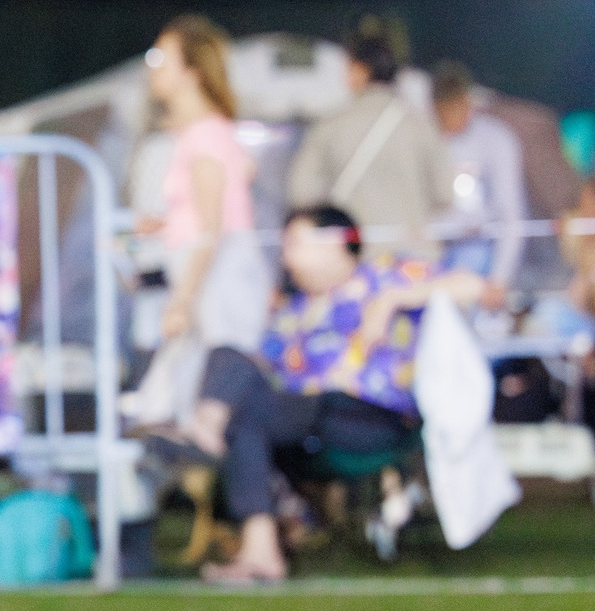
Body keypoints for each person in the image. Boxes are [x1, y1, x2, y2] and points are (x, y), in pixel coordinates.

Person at [180, 205, 487, 584]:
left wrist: (393, 300)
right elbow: (259, 372)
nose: (286, 256)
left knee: (249, 414)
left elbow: (474, 287)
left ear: (336, 242)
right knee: (231, 363)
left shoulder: (385, 276)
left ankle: (206, 439)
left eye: (295, 243)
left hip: (371, 417)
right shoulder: (292, 312)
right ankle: (258, 546)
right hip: (303, 420)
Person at [131, 17, 269, 421]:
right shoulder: (207, 133)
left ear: (191, 73)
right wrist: (167, 222)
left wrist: (181, 300)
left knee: (203, 397)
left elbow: (212, 227)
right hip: (210, 270)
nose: (151, 67)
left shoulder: (204, 136)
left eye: (160, 58)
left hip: (216, 274)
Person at [285, 33, 452, 262]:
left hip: (353, 258)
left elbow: (301, 193)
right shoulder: (421, 123)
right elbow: (445, 192)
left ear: (360, 71)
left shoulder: (330, 124)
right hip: (414, 259)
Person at [430, 61, 524, 296]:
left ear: (467, 102)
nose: (451, 118)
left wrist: (500, 279)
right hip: (431, 249)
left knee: (473, 256)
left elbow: (512, 213)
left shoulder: (496, 139)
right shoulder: (424, 139)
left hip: (477, 249)